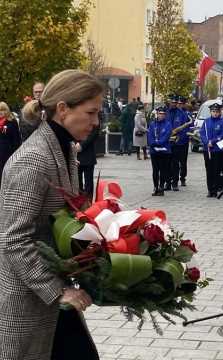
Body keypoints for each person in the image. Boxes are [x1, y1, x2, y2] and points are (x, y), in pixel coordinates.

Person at [0, 70, 103, 359]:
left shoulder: (63, 148)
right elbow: (14, 240)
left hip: (52, 301)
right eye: (91, 112)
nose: (96, 122)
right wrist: (58, 291)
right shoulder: (33, 160)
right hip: (28, 302)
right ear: (62, 109)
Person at [200, 103, 223, 198]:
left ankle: (215, 189)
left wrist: (213, 141)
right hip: (207, 149)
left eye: (217, 111)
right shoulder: (206, 122)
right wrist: (206, 142)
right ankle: (210, 189)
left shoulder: (222, 121)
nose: (215, 113)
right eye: (213, 111)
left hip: (217, 150)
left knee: (216, 170)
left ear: (219, 112)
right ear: (210, 112)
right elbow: (202, 133)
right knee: (209, 170)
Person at [147, 106, 172, 196]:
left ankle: (161, 187)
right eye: (160, 114)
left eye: (163, 114)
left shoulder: (168, 124)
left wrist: (158, 142)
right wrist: (153, 143)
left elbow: (166, 136)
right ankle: (155, 187)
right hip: (154, 151)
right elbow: (149, 136)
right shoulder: (152, 124)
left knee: (163, 170)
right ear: (157, 114)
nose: (161, 115)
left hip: (164, 151)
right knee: (155, 170)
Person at [167, 95, 189, 190]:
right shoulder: (165, 112)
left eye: (176, 103)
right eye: (173, 102)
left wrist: (179, 138)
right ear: (169, 102)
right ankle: (167, 182)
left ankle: (175, 183)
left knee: (176, 163)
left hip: (177, 142)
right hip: (166, 142)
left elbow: (185, 128)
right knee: (167, 164)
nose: (175, 104)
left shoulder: (182, 113)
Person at [0, 102, 22, 187]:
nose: (0, 112)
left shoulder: (12, 122)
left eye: (2, 110)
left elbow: (16, 138)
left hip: (8, 152)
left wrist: (16, 152)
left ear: (7, 110)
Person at [76, 126, 99, 200]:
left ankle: (88, 203)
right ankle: (78, 203)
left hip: (88, 154)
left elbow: (94, 133)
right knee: (76, 183)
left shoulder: (93, 117)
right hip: (75, 153)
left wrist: (81, 145)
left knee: (88, 183)